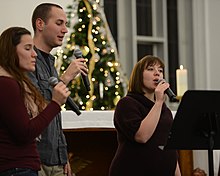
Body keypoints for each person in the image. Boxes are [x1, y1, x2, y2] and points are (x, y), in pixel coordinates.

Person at [0, 27, 70, 175]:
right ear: (11, 52)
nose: (34, 55)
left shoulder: (17, 82)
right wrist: (56, 103)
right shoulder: (7, 84)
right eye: (27, 48)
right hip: (16, 168)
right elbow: (25, 132)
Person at [28, 3, 88, 176]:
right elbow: (37, 106)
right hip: (37, 158)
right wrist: (66, 78)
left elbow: (55, 116)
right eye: (59, 23)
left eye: (66, 24)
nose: (65, 30)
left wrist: (63, 156)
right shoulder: (27, 61)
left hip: (55, 159)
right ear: (40, 24)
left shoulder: (50, 62)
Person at [109, 55, 181, 176]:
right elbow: (142, 136)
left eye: (160, 70)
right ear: (139, 75)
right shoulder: (127, 103)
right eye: (151, 69)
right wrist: (158, 102)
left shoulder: (165, 110)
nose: (157, 74)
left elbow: (169, 147)